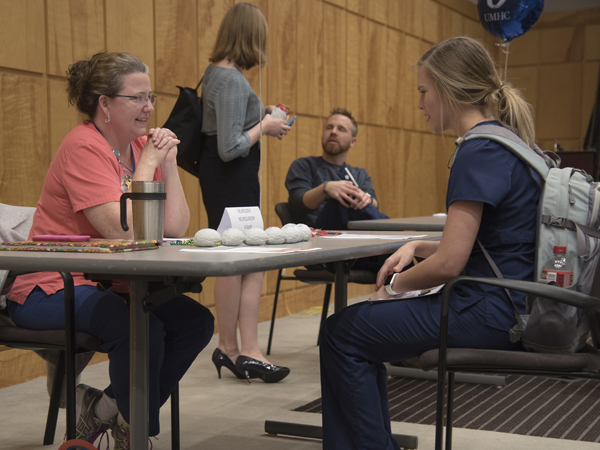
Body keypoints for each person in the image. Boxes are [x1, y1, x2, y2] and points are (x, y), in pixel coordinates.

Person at [319, 36, 540, 450]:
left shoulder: (479, 151)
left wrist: (392, 289)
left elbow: (450, 263)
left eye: (423, 91)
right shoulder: (509, 144)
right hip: (517, 302)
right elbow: (489, 239)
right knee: (349, 333)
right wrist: (420, 244)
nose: (420, 103)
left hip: (490, 311)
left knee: (341, 333)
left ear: (449, 89)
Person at [6, 51, 214, 449]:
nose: (149, 107)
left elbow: (172, 227)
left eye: (150, 97)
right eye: (136, 98)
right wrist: (148, 167)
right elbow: (123, 234)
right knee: (141, 327)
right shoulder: (83, 147)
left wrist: (167, 163)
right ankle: (134, 433)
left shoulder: (138, 147)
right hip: (48, 286)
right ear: (105, 104)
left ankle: (105, 412)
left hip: (106, 282)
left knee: (194, 322)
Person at [198, 2, 291, 383]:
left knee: (242, 261)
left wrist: (262, 116)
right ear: (252, 37)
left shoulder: (214, 73)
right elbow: (231, 145)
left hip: (223, 178)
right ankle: (240, 349)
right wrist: (266, 126)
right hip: (231, 176)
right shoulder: (233, 79)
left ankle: (237, 349)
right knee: (243, 260)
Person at [285, 107, 389, 272]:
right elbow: (298, 204)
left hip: (356, 244)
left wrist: (366, 199)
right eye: (329, 127)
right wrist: (326, 188)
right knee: (341, 198)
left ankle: (402, 263)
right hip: (317, 244)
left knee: (390, 257)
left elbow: (374, 203)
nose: (333, 132)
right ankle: (399, 249)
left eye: (341, 129)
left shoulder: (359, 174)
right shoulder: (304, 165)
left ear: (352, 141)